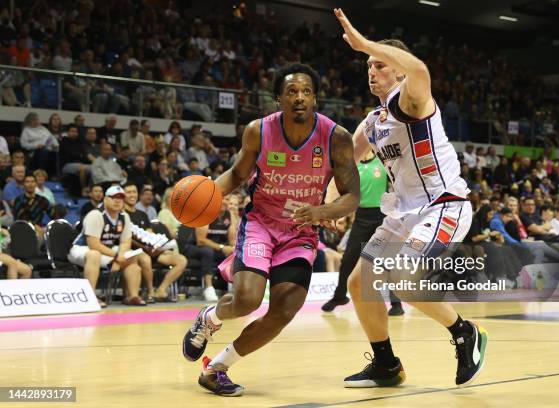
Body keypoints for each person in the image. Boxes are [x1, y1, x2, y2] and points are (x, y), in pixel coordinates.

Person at [181, 62, 360, 396]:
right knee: (247, 300)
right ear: (279, 98)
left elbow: (353, 197)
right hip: (261, 223)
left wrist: (321, 210)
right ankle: (209, 318)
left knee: (284, 311)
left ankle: (217, 368)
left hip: (301, 232)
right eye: (291, 91)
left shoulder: (336, 138)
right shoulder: (258, 131)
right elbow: (236, 175)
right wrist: (204, 197)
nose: (299, 97)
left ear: (316, 100)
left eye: (306, 91)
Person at [334, 8, 487, 389]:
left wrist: (364, 42)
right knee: (359, 282)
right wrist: (328, 202)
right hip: (402, 214)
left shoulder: (412, 98)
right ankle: (386, 364)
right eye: (368, 64)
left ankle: (465, 332)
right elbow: (346, 162)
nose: (371, 70)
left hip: (442, 204)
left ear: (398, 71)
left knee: (403, 277)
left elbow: (420, 70)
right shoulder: (373, 121)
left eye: (380, 64)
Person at [321, 148, 404, 315]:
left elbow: (398, 180)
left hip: (382, 217)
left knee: (387, 262)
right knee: (348, 259)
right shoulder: (354, 165)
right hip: (361, 217)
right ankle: (339, 296)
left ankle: (397, 304)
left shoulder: (382, 161)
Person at [68, 186, 143, 307]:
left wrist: (119, 259)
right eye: (114, 198)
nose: (118, 201)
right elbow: (93, 244)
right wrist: (116, 257)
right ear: (105, 199)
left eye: (120, 198)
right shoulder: (96, 215)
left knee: (131, 256)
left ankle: (131, 296)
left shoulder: (124, 216)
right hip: (82, 248)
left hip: (106, 251)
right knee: (94, 255)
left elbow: (125, 242)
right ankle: (90, 296)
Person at [122, 182, 186, 302]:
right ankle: (150, 292)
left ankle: (161, 290)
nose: (132, 195)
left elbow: (150, 234)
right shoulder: (122, 214)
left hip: (151, 250)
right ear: (123, 195)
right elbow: (127, 238)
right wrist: (146, 248)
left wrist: (159, 247)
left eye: (134, 192)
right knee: (145, 258)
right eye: (128, 192)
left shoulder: (142, 214)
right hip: (135, 250)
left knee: (181, 260)